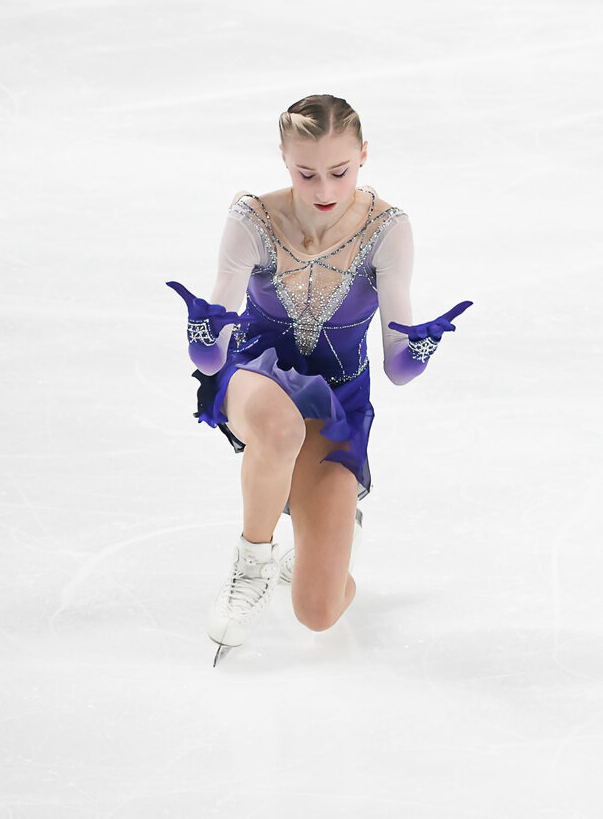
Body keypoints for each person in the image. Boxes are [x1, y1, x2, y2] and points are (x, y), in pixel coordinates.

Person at [168, 94, 470, 663]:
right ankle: (251, 567)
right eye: (307, 173)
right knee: (280, 429)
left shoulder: (388, 230)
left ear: (363, 156)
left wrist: (422, 346)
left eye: (339, 171)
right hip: (255, 375)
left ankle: (321, 543)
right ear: (284, 159)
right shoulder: (252, 220)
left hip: (337, 398)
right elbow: (210, 360)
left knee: (318, 611)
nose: (324, 189)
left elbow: (397, 368)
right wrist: (203, 336)